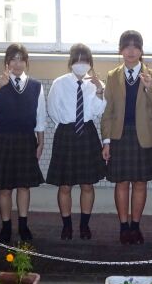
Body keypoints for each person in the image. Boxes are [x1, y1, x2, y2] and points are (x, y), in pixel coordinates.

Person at [0, 43, 46, 244]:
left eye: (21, 59)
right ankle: (6, 226)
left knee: (24, 186)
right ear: (6, 62)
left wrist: (41, 142)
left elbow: (40, 117)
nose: (17, 63)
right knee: (4, 188)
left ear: (26, 62)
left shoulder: (36, 86)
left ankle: (23, 225)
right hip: (4, 139)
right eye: (13, 59)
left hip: (26, 139)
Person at [101, 30, 152, 244]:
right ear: (121, 50)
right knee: (121, 183)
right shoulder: (112, 76)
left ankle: (135, 226)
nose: (131, 51)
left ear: (141, 50)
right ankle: (123, 227)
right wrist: (106, 141)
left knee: (139, 183)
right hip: (119, 136)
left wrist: (149, 88)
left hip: (144, 137)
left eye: (135, 46)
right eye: (127, 46)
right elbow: (107, 111)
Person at [46, 43, 107, 240]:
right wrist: (67, 126)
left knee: (87, 184)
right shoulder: (60, 83)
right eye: (77, 60)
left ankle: (84, 225)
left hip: (87, 133)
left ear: (90, 63)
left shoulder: (96, 84)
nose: (81, 64)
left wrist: (100, 90)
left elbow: (98, 112)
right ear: (71, 62)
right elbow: (52, 110)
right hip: (66, 133)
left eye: (85, 60)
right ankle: (67, 225)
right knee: (65, 185)